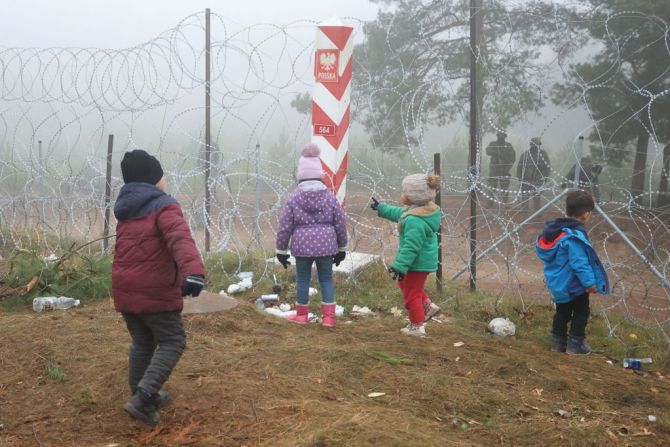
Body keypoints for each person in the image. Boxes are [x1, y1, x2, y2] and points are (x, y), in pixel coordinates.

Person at [113, 150, 205, 426]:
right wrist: (194, 273)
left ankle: (142, 394)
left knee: (142, 341)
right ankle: (143, 398)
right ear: (153, 180)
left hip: (125, 290)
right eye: (161, 175)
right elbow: (180, 239)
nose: (164, 180)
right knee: (173, 341)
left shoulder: (125, 210)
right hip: (154, 291)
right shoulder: (164, 206)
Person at [275, 143, 348, 327]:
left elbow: (285, 225)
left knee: (302, 279)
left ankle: (301, 316)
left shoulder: (294, 197)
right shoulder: (329, 197)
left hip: (302, 246)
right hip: (326, 246)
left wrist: (281, 250)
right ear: (319, 174)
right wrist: (342, 247)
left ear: (300, 175)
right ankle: (329, 318)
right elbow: (340, 221)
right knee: (326, 278)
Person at [535, 191, 609, 355]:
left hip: (558, 283)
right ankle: (575, 345)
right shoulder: (574, 236)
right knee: (582, 312)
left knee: (562, 312)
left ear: (568, 210)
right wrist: (589, 283)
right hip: (574, 285)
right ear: (586, 214)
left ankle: (557, 343)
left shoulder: (556, 232)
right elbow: (579, 263)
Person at [371, 174, 442, 337]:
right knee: (408, 286)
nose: (401, 194)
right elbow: (399, 213)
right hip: (421, 260)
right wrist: (381, 208)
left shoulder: (414, 221)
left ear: (413, 197)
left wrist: (400, 266)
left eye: (404, 192)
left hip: (417, 262)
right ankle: (427, 305)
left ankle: (417, 325)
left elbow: (411, 247)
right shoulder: (421, 211)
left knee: (411, 293)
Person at [517, 137, 551, 210]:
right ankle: (524, 211)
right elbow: (519, 167)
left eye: (536, 144)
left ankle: (536, 213)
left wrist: (543, 178)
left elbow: (547, 167)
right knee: (525, 197)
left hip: (538, 179)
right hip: (526, 179)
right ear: (531, 144)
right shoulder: (525, 154)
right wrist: (520, 178)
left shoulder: (543, 154)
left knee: (536, 198)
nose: (535, 146)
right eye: (533, 144)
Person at [486, 130, 516, 205]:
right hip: (494, 169)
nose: (501, 138)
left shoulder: (508, 145)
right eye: (500, 136)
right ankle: (490, 202)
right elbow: (488, 151)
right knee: (492, 186)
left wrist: (508, 167)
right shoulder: (493, 144)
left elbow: (513, 158)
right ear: (497, 136)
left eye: (502, 137)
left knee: (505, 187)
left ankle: (505, 203)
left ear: (505, 137)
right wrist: (497, 153)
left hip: (504, 169)